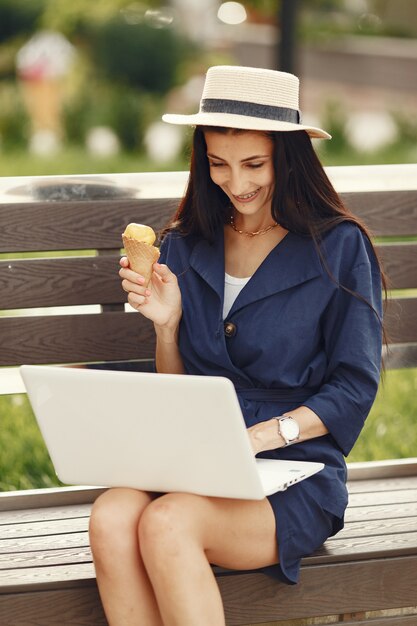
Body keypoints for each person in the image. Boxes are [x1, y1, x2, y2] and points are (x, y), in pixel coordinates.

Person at [88, 65, 385, 626]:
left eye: (254, 164)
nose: (236, 182)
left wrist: (259, 437)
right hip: (197, 464)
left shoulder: (338, 247)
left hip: (294, 471)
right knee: (110, 515)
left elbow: (354, 388)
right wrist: (167, 326)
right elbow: (181, 396)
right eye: (218, 165)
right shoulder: (185, 244)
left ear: (288, 158)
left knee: (167, 522)